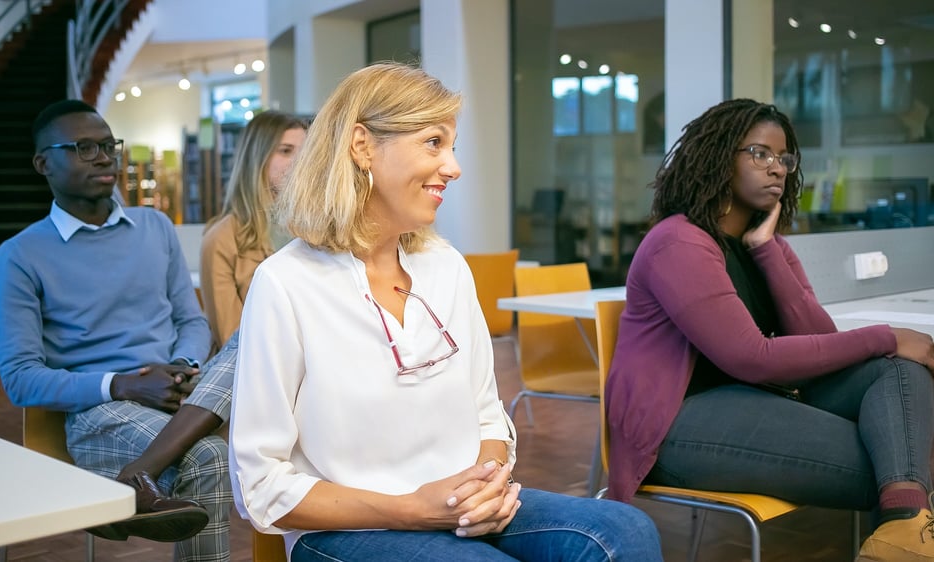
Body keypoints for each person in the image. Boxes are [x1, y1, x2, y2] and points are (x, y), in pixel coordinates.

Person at [228, 62, 662, 562]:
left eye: (451, 147)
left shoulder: (446, 266)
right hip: (347, 529)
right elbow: (261, 486)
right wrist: (412, 509)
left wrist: (485, 485)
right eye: (434, 143)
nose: (453, 167)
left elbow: (487, 414)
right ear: (362, 145)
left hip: (459, 504)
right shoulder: (286, 283)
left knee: (625, 532)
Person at [605, 98, 934, 562]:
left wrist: (765, 250)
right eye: (759, 154)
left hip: (756, 402)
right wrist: (886, 334)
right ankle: (908, 529)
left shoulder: (767, 244)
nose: (776, 168)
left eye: (784, 158)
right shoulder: (678, 242)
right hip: (678, 426)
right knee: (899, 459)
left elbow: (818, 333)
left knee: (899, 373)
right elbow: (750, 358)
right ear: (719, 156)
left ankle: (902, 536)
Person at [0, 99, 232, 561]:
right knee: (209, 456)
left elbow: (191, 321)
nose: (104, 157)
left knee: (252, 338)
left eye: (108, 145)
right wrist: (124, 384)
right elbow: (20, 379)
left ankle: (139, 476)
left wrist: (180, 368)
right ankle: (141, 477)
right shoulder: (20, 255)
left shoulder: (155, 226)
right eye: (83, 148)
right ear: (44, 163)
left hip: (184, 393)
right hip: (101, 414)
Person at [200, 110, 307, 350]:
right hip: (259, 369)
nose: (301, 161)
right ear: (257, 158)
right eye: (286, 150)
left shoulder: (318, 230)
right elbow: (232, 340)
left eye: (306, 151)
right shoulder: (222, 239)